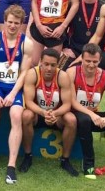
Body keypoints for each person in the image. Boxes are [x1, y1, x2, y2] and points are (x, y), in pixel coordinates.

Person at [0, 5, 33, 184]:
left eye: (16, 23)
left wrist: (12, 94)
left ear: (21, 24)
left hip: (14, 88)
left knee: (16, 116)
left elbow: (24, 72)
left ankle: (11, 167)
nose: (12, 26)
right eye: (9, 22)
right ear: (4, 22)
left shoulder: (27, 43)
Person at [19, 48, 79, 177]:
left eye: (53, 65)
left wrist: (55, 114)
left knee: (72, 119)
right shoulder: (32, 74)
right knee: (26, 115)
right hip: (38, 113)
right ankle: (27, 156)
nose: (49, 68)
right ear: (40, 62)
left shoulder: (62, 76)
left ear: (58, 65)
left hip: (56, 116)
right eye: (46, 64)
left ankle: (65, 160)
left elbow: (67, 104)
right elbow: (28, 102)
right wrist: (43, 113)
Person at [67, 43, 105, 179]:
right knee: (85, 119)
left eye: (95, 62)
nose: (91, 65)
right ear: (82, 59)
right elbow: (72, 101)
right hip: (76, 115)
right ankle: (88, 165)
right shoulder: (72, 72)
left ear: (100, 60)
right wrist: (91, 114)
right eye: (87, 61)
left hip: (94, 117)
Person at [59, 0, 105, 70]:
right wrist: (65, 47)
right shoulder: (72, 5)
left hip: (95, 52)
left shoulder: (104, 7)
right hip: (73, 50)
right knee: (59, 73)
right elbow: (62, 27)